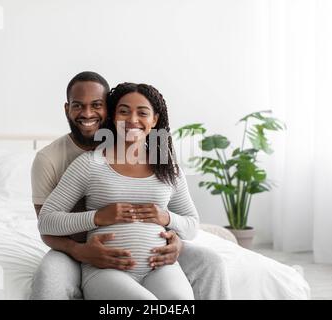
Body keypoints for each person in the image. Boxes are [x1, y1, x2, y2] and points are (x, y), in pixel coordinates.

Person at [30, 71, 230, 300]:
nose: (132, 119)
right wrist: (97, 217)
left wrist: (167, 220)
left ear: (155, 119)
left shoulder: (166, 166)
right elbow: (46, 221)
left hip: (160, 266)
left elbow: (192, 224)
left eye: (142, 112)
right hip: (104, 267)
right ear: (114, 117)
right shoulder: (86, 163)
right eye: (124, 111)